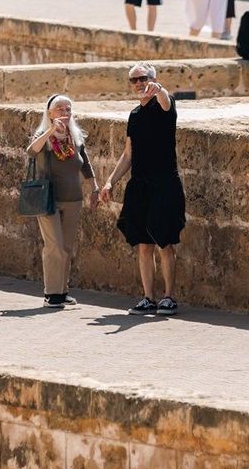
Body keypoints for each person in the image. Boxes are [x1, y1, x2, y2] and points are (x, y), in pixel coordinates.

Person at [97, 64, 183, 315]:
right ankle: (148, 297)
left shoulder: (165, 105)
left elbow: (166, 102)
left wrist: (160, 91)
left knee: (165, 241)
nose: (138, 83)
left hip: (165, 183)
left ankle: (169, 297)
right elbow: (128, 154)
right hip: (140, 185)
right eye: (133, 80)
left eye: (143, 79)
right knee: (144, 245)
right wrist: (111, 181)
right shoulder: (134, 115)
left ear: (153, 79)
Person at [27, 95, 98, 308]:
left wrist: (94, 187)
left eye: (68, 109)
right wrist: (51, 131)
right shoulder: (43, 134)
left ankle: (63, 290)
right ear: (49, 113)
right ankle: (52, 293)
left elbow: (84, 164)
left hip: (73, 198)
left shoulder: (74, 137)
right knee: (54, 245)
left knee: (66, 247)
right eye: (59, 109)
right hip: (48, 199)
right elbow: (31, 150)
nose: (65, 113)